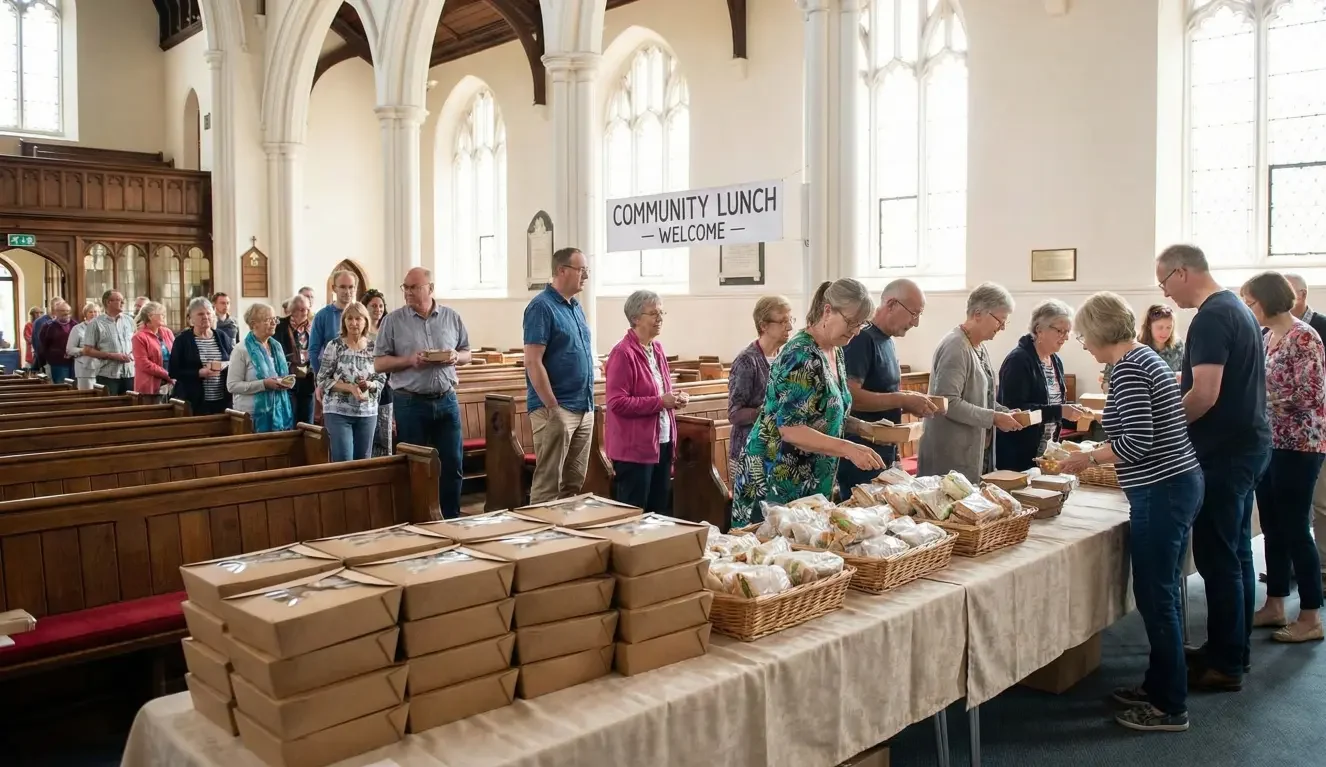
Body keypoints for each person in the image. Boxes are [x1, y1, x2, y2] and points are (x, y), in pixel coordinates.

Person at [1058, 292, 1202, 733]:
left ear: (1100, 332)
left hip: (1163, 489)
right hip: (1169, 484)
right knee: (1159, 596)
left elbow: (1136, 443)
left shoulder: (1131, 368)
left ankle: (1169, 706)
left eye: (1083, 335)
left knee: (1157, 600)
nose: (1082, 344)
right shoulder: (1141, 360)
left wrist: (1088, 458)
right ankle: (1159, 684)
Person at [1156, 243, 1271, 691]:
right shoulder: (1236, 309)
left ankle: (1226, 664)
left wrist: (1162, 428)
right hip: (1246, 446)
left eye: (1164, 283)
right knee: (1237, 552)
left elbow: (1203, 394)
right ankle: (1232, 649)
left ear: (1181, 272)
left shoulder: (1211, 316)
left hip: (1224, 453)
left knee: (1218, 558)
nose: (1166, 295)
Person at [730, 279, 886, 526]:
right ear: (827, 311)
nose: (856, 331)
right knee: (773, 557)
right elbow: (790, 428)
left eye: (861, 324)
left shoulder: (836, 351)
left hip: (811, 474)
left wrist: (868, 429)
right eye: (851, 322)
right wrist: (847, 448)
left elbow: (826, 412)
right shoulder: (800, 354)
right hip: (776, 476)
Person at [1239, 273, 1325, 643]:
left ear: (1269, 300)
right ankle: (1275, 603)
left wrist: (1261, 399)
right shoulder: (1264, 337)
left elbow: (1312, 395)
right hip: (1269, 442)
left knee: (1294, 528)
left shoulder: (1304, 336)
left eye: (1251, 302)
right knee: (1271, 526)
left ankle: (1310, 616)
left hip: (1300, 446)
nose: (1248, 308)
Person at [374, 267, 471, 518]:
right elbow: (379, 363)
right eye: (404, 287)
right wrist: (409, 361)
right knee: (414, 465)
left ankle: (451, 519)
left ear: (430, 288)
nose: (407, 292)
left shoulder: (451, 317)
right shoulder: (393, 321)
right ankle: (417, 518)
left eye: (413, 287)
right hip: (410, 402)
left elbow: (467, 353)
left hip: (446, 398)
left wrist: (455, 356)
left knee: (452, 464)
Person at [837, 279, 939, 497]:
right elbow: (850, 396)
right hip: (860, 456)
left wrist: (909, 402)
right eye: (914, 313)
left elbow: (883, 393)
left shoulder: (888, 340)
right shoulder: (861, 338)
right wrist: (901, 399)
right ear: (891, 304)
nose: (916, 322)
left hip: (885, 451)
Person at [917, 283, 1025, 480]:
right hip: (949, 454)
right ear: (978, 313)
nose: (1002, 327)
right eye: (1000, 320)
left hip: (972, 449)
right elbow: (947, 402)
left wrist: (1004, 413)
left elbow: (981, 397)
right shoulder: (955, 346)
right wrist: (993, 418)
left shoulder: (978, 346)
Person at [523, 247, 596, 504]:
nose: (586, 275)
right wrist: (552, 406)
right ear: (561, 271)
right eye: (582, 270)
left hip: (583, 406)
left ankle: (564, 539)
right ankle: (541, 539)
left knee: (573, 483)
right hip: (556, 408)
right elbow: (533, 362)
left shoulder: (575, 307)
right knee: (548, 484)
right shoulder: (541, 307)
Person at [604, 290, 685, 512]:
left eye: (661, 313)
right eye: (654, 314)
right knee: (635, 514)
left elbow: (660, 391)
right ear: (635, 318)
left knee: (659, 512)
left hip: (662, 442)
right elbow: (617, 402)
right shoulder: (623, 353)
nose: (660, 319)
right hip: (634, 449)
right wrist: (660, 402)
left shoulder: (657, 348)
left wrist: (675, 398)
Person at [996, 300, 1086, 471]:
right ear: (1039, 330)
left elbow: (1053, 406)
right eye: (1061, 331)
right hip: (1019, 454)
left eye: (1068, 332)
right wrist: (1060, 411)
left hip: (1045, 453)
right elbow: (1014, 410)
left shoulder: (1055, 360)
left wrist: (1073, 412)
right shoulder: (1018, 360)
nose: (1066, 337)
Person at [1286, 274, 1326, 591]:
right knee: (1293, 511)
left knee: (1321, 503)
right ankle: (1290, 568)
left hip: (1315, 429)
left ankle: (1323, 567)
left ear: (1301, 294)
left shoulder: (1317, 328)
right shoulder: (1274, 332)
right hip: (1285, 434)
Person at [728, 296, 795, 485]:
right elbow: (734, 414)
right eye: (782, 321)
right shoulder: (747, 361)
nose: (789, 327)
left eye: (790, 320)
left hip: (779, 452)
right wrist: (766, 410)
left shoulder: (785, 357)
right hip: (750, 453)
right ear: (764, 325)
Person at [317, 302, 386, 462]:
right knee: (344, 460)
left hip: (367, 411)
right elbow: (322, 379)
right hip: (338, 411)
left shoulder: (374, 347)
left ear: (365, 322)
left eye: (358, 319)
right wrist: (349, 388)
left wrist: (369, 385)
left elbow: (381, 378)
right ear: (344, 321)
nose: (353, 323)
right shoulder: (335, 345)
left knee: (364, 461)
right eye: (349, 318)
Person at [226, 302, 295, 432]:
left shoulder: (277, 346)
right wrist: (264, 384)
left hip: (278, 413)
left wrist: (286, 381)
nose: (274, 323)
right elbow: (232, 386)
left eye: (275, 319)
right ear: (253, 324)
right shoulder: (241, 350)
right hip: (251, 416)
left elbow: (279, 375)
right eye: (268, 320)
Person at [170, 297, 234, 416]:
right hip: (194, 401)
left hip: (221, 399)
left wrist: (224, 365)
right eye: (200, 314)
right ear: (191, 319)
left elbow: (233, 360)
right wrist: (199, 373)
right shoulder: (182, 340)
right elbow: (173, 371)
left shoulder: (221, 336)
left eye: (208, 313)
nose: (205, 317)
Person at [1102, 304, 1184, 392]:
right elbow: (1106, 383)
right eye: (1160, 327)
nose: (1165, 332)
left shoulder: (1178, 345)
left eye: (1169, 327)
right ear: (1149, 326)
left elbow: (1186, 377)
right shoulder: (1133, 345)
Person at [82, 290, 136, 395]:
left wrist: (132, 353)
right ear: (108, 302)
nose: (123, 303)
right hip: (108, 375)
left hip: (130, 373)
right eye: (119, 300)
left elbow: (135, 343)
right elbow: (87, 350)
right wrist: (111, 355)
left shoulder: (129, 320)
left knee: (130, 408)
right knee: (110, 407)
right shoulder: (95, 323)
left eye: (122, 300)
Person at [275, 294, 315, 424]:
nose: (305, 313)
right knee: (290, 418)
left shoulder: (312, 327)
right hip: (288, 377)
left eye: (307, 309)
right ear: (292, 310)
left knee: (307, 420)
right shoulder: (280, 326)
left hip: (307, 378)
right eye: (301, 309)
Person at [363, 288, 394, 457]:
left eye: (381, 306)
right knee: (368, 436)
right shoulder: (360, 330)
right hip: (365, 385)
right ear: (365, 307)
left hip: (386, 386)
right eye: (373, 305)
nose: (378, 309)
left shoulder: (388, 328)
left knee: (384, 435)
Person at [310, 270, 357, 376]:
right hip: (331, 378)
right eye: (343, 287)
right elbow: (314, 351)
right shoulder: (322, 316)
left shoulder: (361, 315)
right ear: (334, 288)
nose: (347, 291)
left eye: (351, 287)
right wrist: (320, 378)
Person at [132, 301, 176, 401]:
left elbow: (175, 354)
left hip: (170, 382)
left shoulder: (167, 332)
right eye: (161, 314)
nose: (164, 316)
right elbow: (144, 364)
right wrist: (167, 374)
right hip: (149, 386)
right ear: (150, 316)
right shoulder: (139, 337)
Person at [36, 300, 75, 384]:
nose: (66, 313)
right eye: (63, 311)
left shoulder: (75, 325)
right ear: (56, 312)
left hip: (75, 362)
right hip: (58, 363)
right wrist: (42, 364)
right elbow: (42, 346)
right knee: (62, 388)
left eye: (67, 311)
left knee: (75, 388)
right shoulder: (48, 326)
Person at [66, 302, 101, 391]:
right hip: (84, 369)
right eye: (90, 312)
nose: (94, 314)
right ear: (85, 314)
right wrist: (84, 350)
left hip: (102, 369)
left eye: (96, 312)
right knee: (87, 397)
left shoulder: (103, 328)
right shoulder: (77, 328)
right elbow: (69, 349)